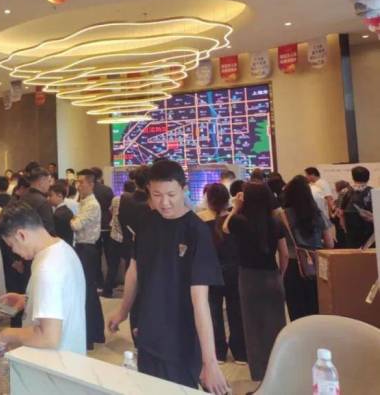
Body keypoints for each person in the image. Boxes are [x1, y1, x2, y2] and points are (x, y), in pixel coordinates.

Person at [108, 160, 228, 393]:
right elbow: (134, 270)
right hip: (148, 333)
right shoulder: (146, 222)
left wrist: (210, 363)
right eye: (157, 195)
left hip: (180, 339)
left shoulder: (196, 231)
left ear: (184, 189)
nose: (164, 202)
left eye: (171, 194)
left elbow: (200, 300)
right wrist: (123, 311)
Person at [0, 200, 87, 356]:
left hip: (53, 363)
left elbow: (48, 337)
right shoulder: (61, 247)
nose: (14, 251)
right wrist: (28, 299)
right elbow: (62, 298)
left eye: (11, 245)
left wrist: (6, 334)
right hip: (70, 355)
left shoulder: (47, 269)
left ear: (21, 235)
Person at [223, 182, 288, 382]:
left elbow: (225, 228)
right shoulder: (275, 222)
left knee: (253, 327)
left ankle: (259, 375)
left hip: (248, 277)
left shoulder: (239, 221)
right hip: (272, 275)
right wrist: (280, 275)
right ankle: (279, 370)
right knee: (276, 325)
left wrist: (236, 207)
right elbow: (284, 254)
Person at [201, 183, 246, 364]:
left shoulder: (200, 221)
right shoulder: (236, 220)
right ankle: (240, 352)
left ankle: (218, 352)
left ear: (208, 200)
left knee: (214, 312)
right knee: (236, 311)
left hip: (211, 272)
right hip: (234, 271)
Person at [281, 176, 333, 320]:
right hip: (317, 265)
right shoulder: (317, 214)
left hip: (293, 265)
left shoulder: (283, 215)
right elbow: (330, 243)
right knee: (316, 308)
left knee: (297, 310)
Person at [71, 170, 105, 349]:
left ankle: (90, 336)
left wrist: (69, 214)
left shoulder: (91, 204)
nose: (78, 186)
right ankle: (96, 333)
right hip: (82, 248)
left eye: (81, 182)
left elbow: (76, 225)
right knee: (88, 292)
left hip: (87, 249)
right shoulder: (82, 202)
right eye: (77, 182)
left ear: (91, 184)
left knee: (87, 293)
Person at [103, 179, 136, 297]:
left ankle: (107, 290)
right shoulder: (133, 201)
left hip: (114, 236)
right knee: (129, 266)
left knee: (113, 265)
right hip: (128, 237)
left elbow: (111, 211)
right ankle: (128, 291)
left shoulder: (116, 199)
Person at [90, 166, 114, 289]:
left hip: (94, 226)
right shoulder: (107, 190)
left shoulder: (89, 190)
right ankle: (111, 281)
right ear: (101, 176)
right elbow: (112, 206)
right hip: (107, 224)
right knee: (110, 255)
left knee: (96, 255)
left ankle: (98, 281)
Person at [340, 165, 374, 248]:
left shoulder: (344, 191)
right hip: (370, 230)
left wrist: (344, 227)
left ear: (353, 177)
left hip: (351, 229)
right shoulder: (373, 191)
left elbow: (341, 212)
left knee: (353, 252)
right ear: (368, 177)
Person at [20, 166, 56, 234]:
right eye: (48, 181)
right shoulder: (43, 202)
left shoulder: (23, 196)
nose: (50, 184)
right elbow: (49, 229)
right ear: (41, 181)